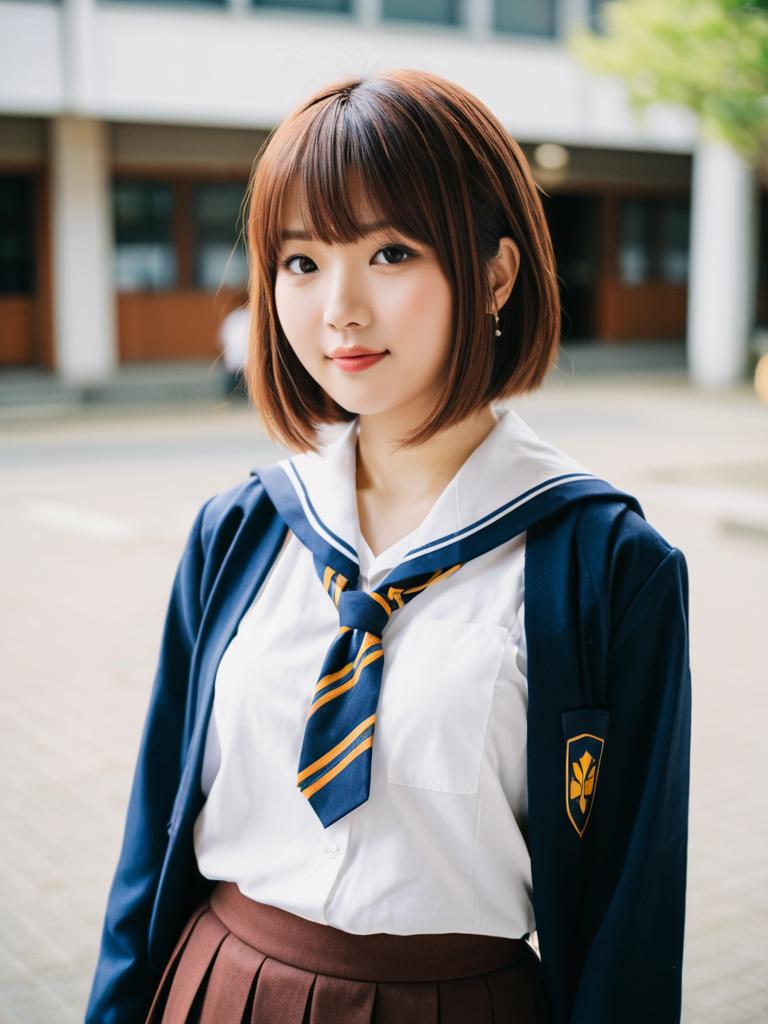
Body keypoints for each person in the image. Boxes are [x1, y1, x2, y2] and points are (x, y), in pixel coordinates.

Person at [85, 69, 692, 1024]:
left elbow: (633, 917)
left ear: (495, 274)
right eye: (301, 261)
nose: (340, 309)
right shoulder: (240, 530)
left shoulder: (606, 565)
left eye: (392, 252)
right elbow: (150, 841)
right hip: (220, 989)